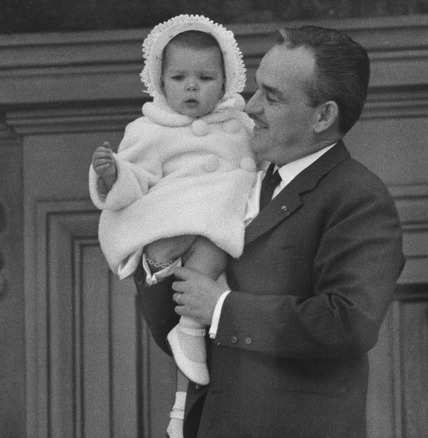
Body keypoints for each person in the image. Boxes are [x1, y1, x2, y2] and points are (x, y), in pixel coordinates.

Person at [134, 25, 405, 437]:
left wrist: (223, 309)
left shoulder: (359, 198)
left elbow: (349, 323)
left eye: (272, 96)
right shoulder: (237, 179)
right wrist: (160, 261)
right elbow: (173, 331)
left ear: (324, 116)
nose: (251, 105)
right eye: (256, 88)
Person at [88, 14, 255, 436]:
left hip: (219, 226)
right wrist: (112, 176)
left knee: (221, 236)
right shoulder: (148, 129)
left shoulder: (240, 125)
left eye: (205, 77)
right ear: (159, 82)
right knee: (214, 232)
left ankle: (183, 405)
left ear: (228, 80)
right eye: (179, 77)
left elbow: (260, 167)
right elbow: (136, 182)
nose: (192, 86)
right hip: (172, 222)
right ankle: (188, 349)